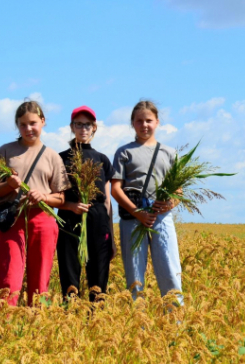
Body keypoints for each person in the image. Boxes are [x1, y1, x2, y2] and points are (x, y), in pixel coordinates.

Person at [0, 100, 70, 306]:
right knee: (9, 275)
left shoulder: (52, 156)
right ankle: (6, 322)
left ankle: (38, 324)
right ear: (17, 125)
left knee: (41, 277)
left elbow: (60, 198)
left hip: (42, 219)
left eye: (33, 123)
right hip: (13, 219)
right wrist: (9, 185)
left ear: (42, 122)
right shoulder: (5, 152)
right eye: (23, 124)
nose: (28, 129)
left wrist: (44, 196)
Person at [110, 100, 183, 305]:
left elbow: (178, 190)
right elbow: (116, 189)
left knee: (169, 269)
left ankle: (175, 321)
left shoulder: (169, 153)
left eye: (149, 120)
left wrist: (169, 204)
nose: (144, 125)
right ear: (132, 123)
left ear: (157, 122)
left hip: (161, 215)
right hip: (133, 215)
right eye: (139, 121)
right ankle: (137, 328)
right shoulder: (124, 152)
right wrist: (138, 213)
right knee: (134, 275)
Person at [56, 106, 115, 301]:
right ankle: (71, 312)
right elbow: (55, 195)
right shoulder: (60, 158)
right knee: (69, 270)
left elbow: (107, 200)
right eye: (79, 124)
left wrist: (112, 239)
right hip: (69, 218)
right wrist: (70, 206)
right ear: (72, 127)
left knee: (99, 272)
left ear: (94, 128)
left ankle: (97, 315)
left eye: (87, 124)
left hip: (97, 217)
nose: (83, 129)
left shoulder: (102, 160)